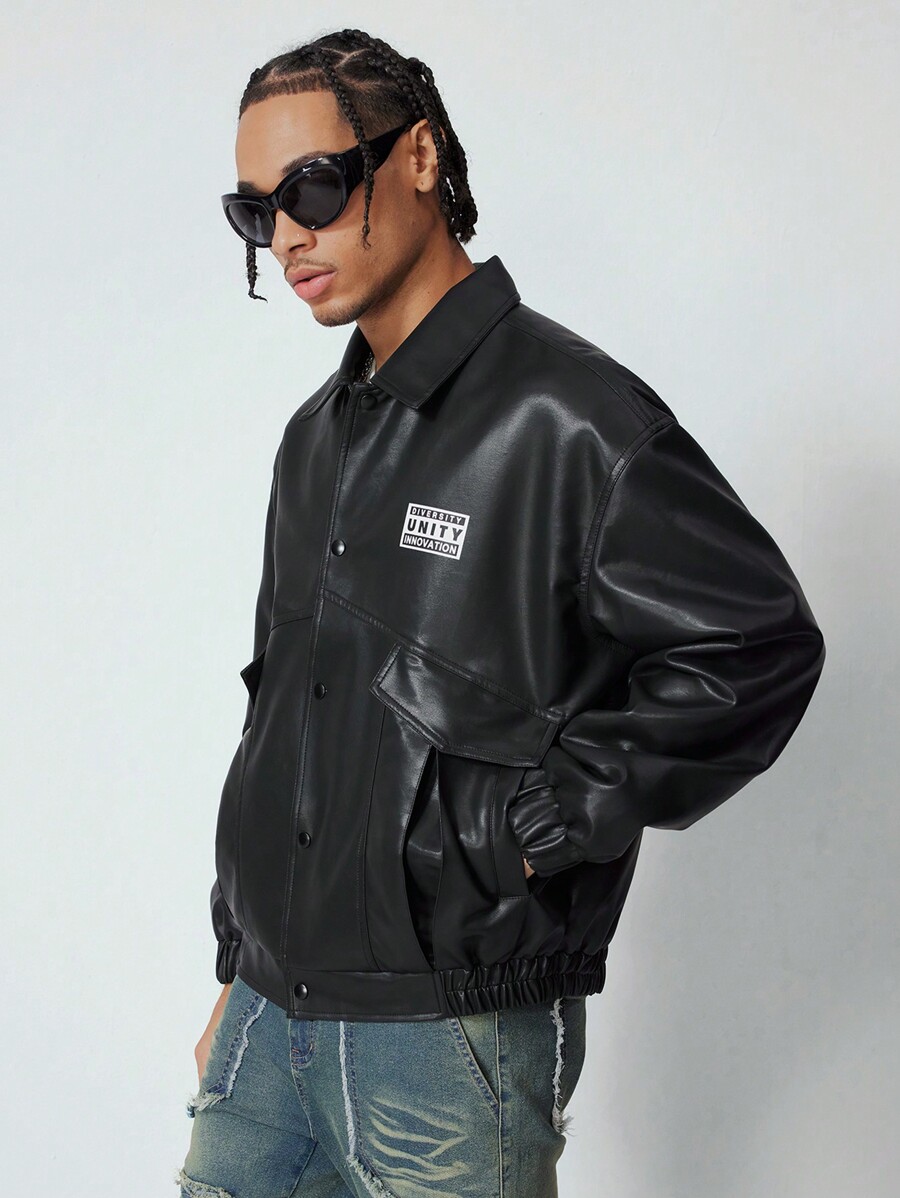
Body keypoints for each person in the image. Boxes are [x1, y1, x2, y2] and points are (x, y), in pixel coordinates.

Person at [176, 27, 826, 1198]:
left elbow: (755, 646)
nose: (286, 237)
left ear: (418, 157)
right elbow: (285, 708)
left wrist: (540, 826)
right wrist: (239, 963)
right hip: (266, 1021)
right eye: (254, 211)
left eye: (312, 189)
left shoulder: (571, 417)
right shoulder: (314, 440)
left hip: (446, 1041)